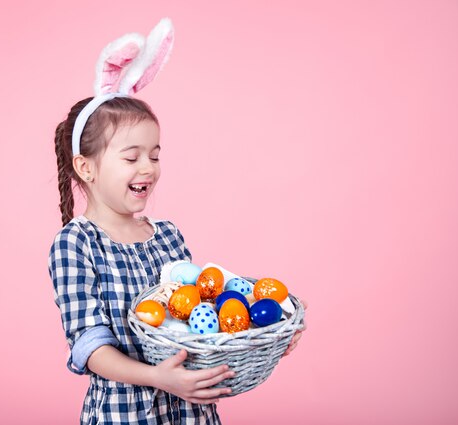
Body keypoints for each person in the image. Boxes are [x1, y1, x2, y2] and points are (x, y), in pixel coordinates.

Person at [47, 18, 305, 424]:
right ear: (86, 167)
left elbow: (201, 315)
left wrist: (259, 332)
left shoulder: (167, 236)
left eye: (155, 155)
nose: (147, 168)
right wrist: (157, 378)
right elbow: (89, 346)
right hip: (125, 414)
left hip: (190, 412)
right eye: (131, 158)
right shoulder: (76, 244)